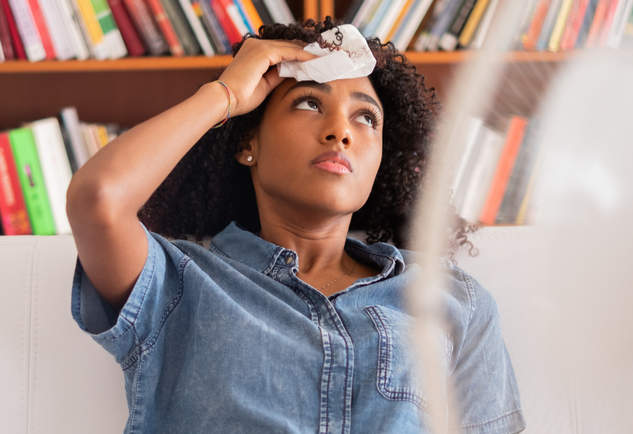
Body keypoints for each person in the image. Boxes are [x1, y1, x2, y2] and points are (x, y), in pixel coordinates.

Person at [67, 18, 525, 434]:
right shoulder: (177, 284)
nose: (340, 131)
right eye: (309, 103)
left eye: (366, 117)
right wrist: (226, 94)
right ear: (248, 143)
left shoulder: (451, 298)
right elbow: (98, 200)